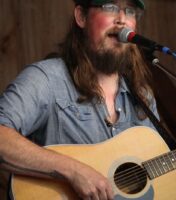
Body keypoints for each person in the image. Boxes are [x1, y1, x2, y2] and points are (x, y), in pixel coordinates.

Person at [0, 0, 160, 199]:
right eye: (110, 7)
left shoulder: (143, 96)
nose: (121, 19)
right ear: (81, 17)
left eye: (130, 11)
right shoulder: (46, 79)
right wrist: (73, 171)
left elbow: (161, 184)